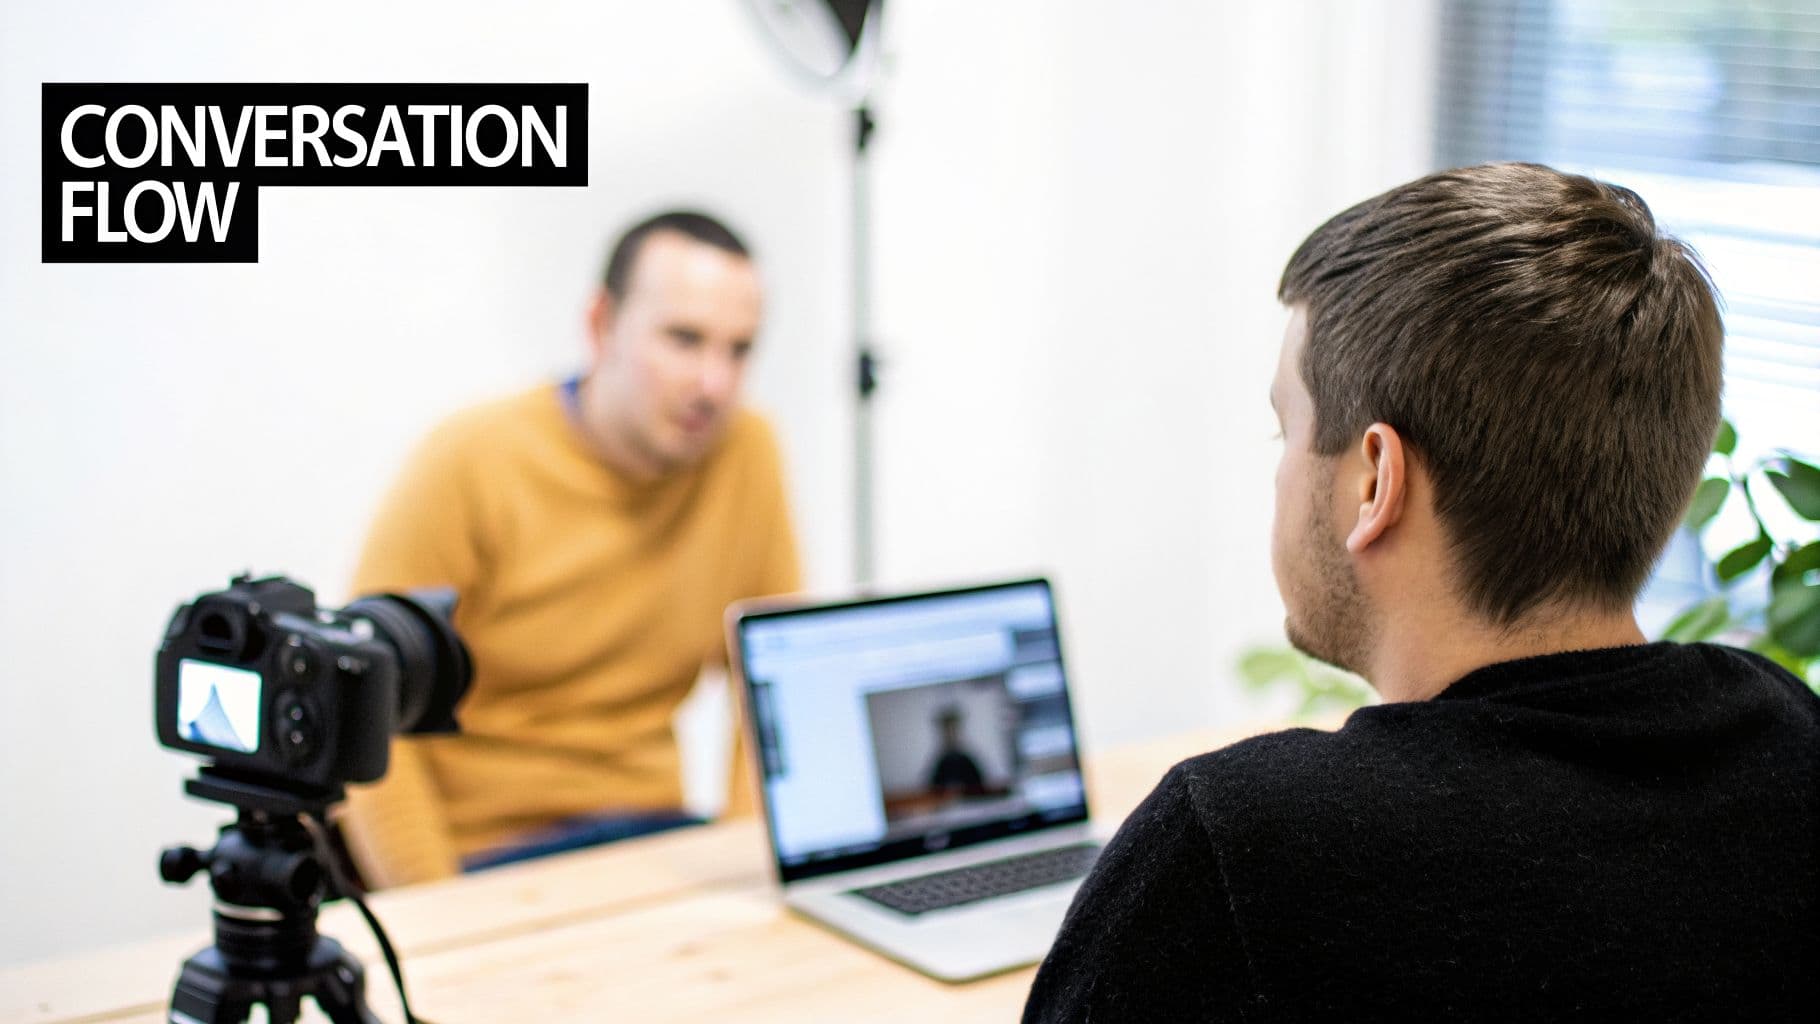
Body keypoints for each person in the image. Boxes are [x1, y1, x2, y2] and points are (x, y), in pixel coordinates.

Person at [1023, 163, 1820, 1021]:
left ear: (1374, 482)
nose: (1281, 471)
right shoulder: (1787, 737)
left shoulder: (1244, 849)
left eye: (1285, 429)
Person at [342, 210, 800, 888]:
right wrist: (438, 916)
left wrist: (745, 864)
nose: (714, 383)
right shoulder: (471, 460)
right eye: (684, 339)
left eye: (739, 350)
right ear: (601, 325)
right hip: (484, 856)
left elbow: (773, 682)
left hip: (656, 836)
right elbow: (364, 706)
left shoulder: (748, 451)